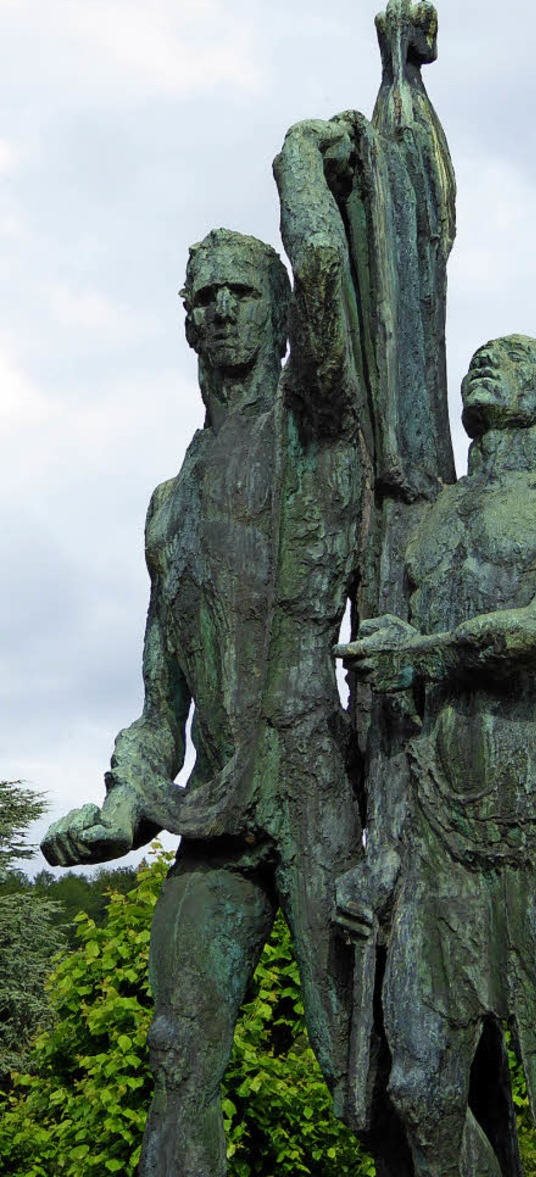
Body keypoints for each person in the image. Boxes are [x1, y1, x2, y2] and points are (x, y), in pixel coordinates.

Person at [42, 220, 366, 1175]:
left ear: (279, 322)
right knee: (177, 1044)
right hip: (216, 810)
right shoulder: (169, 502)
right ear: (186, 325)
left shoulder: (323, 437)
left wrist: (301, 169)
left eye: (241, 294)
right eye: (203, 298)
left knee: (365, 1064)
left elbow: (328, 285)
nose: (220, 310)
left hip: (315, 795)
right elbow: (159, 702)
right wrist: (120, 807)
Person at [338, 334, 536, 1176]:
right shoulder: (424, 518)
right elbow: (396, 713)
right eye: (480, 355)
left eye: (512, 359)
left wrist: (423, 651)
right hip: (435, 829)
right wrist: (382, 856)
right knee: (420, 1095)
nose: (483, 363)